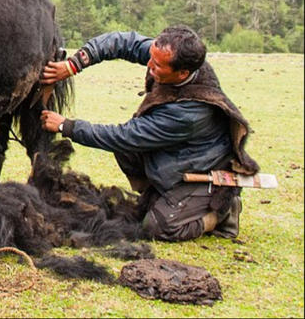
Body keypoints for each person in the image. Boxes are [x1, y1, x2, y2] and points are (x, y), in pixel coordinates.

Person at [39, 25, 258, 242]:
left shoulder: (188, 113)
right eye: (151, 58)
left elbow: (125, 136)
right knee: (127, 155)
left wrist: (66, 126)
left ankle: (220, 214)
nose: (150, 66)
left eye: (158, 65)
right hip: (178, 156)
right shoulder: (166, 57)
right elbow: (121, 42)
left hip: (200, 171)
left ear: (182, 73)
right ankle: (159, 197)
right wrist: (74, 64)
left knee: (158, 227)